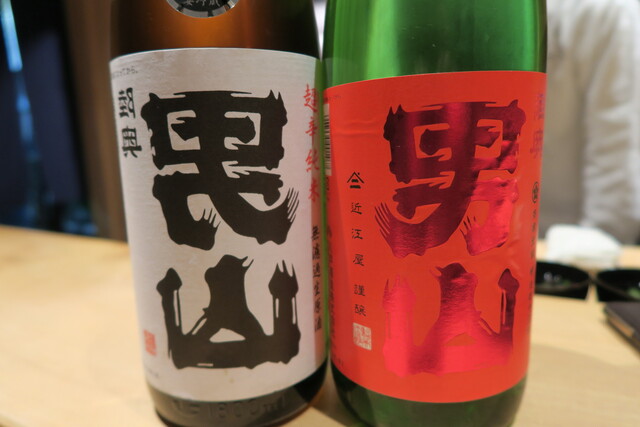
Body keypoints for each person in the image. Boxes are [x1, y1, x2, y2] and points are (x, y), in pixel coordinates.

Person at [540, 0, 640, 244]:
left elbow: (616, 146)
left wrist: (599, 244)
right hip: (496, 232)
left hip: (571, 241)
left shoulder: (606, 10)